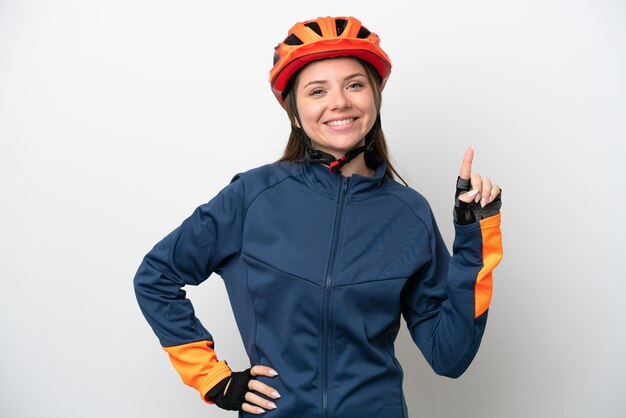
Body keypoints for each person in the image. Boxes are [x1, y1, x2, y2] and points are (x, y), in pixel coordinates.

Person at [133, 16, 503, 418]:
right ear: (295, 113)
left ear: (375, 98)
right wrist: (213, 379)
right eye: (317, 91)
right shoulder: (252, 197)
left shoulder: (408, 213)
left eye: (354, 84)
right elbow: (156, 277)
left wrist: (474, 238)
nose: (339, 101)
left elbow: (449, 356)